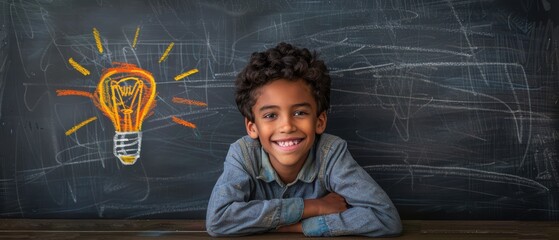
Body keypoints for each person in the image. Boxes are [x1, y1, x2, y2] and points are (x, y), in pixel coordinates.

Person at [205, 42, 402, 237]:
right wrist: (312, 207)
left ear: (320, 121)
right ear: (252, 127)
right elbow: (218, 220)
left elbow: (385, 218)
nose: (287, 126)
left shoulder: (330, 153)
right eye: (270, 115)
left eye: (299, 112)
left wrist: (301, 227)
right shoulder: (243, 155)